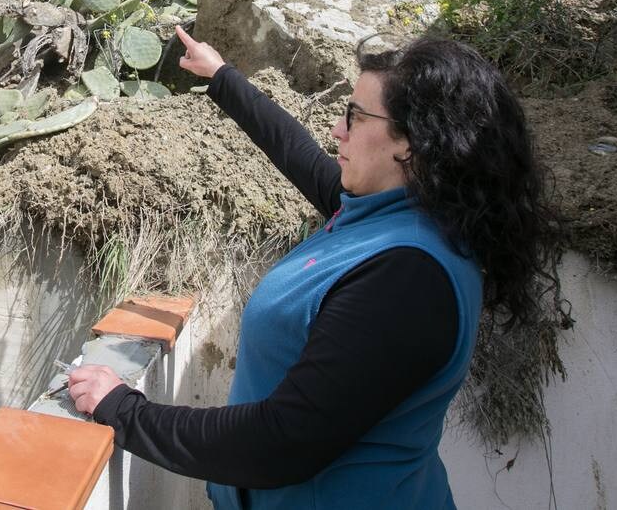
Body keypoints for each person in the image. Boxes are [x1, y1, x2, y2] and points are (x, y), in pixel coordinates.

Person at [67, 28, 556, 509]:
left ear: (410, 142)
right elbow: (297, 152)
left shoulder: (408, 278)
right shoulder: (389, 215)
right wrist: (221, 76)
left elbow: (281, 442)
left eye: (356, 117)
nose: (337, 130)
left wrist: (122, 409)